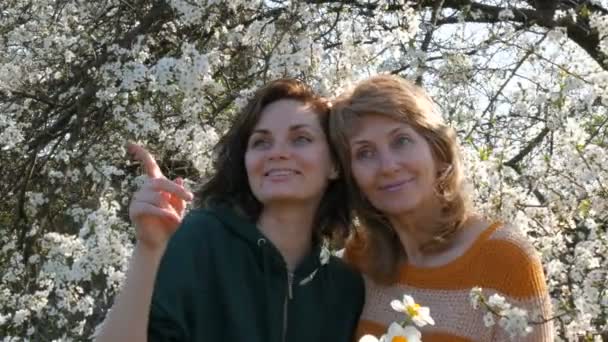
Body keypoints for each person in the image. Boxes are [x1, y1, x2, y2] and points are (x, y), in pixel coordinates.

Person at [95, 79, 364, 342]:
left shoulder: (346, 288)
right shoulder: (199, 241)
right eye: (261, 142)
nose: (278, 152)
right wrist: (149, 248)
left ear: (335, 165)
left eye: (301, 138)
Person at [329, 75, 553, 341]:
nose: (387, 166)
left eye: (401, 141)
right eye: (365, 153)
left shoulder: (506, 260)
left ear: (437, 152)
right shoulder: (359, 259)